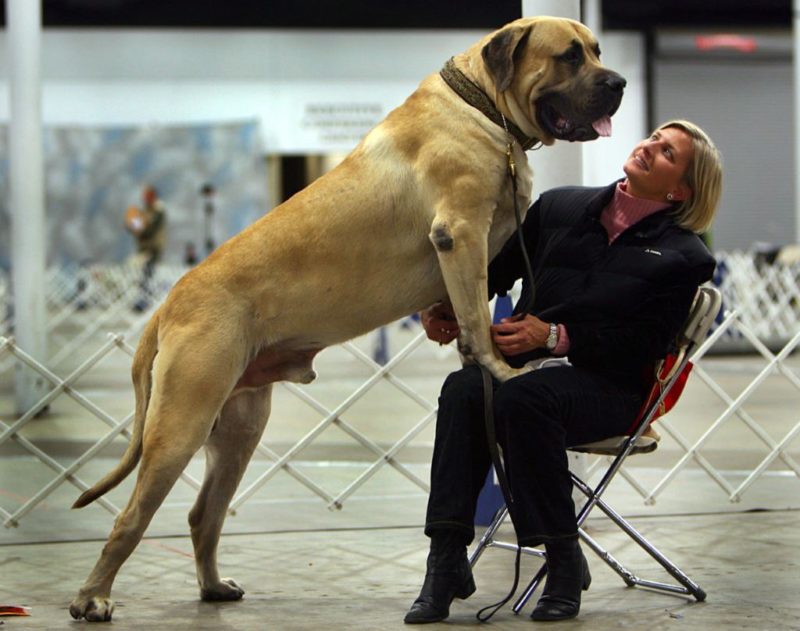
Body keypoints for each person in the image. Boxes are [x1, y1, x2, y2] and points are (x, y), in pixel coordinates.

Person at [404, 120, 723, 624]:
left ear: (680, 188)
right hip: (531, 376)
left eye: (667, 153)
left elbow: (647, 346)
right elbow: (497, 268)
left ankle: (562, 558)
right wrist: (447, 304)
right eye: (653, 139)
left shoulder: (686, 257)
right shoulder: (559, 207)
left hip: (612, 387)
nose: (649, 148)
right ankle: (445, 560)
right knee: (465, 388)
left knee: (523, 399)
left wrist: (554, 337)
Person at [125, 185, 166, 311]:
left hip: (154, 247)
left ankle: (147, 301)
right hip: (144, 247)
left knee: (148, 273)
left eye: (146, 196)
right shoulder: (145, 210)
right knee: (143, 274)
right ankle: (142, 299)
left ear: (152, 196)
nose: (144, 198)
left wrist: (137, 225)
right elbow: (138, 228)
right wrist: (131, 225)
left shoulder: (158, 210)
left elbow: (148, 227)